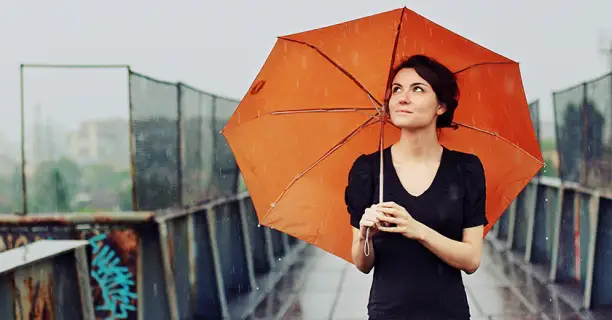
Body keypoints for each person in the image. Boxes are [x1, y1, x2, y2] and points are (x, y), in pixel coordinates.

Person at [345, 54, 488, 320]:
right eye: (397, 89)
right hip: (387, 313)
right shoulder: (368, 170)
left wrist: (418, 230)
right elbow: (362, 264)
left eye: (417, 89)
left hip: (448, 313)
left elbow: (471, 260)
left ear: (441, 107)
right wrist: (365, 235)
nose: (402, 98)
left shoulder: (465, 169)